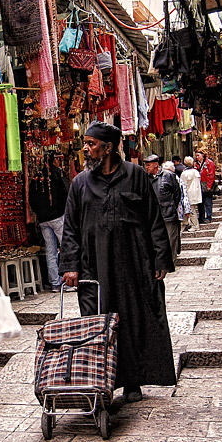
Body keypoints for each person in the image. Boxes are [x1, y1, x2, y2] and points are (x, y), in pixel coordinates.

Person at [60, 121, 177, 406]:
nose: (85, 149)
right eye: (85, 143)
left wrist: (161, 258)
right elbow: (70, 228)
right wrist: (69, 266)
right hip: (93, 268)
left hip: (133, 266)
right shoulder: (80, 183)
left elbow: (153, 220)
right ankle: (101, 382)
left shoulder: (136, 176)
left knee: (133, 320)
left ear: (109, 147)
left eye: (91, 144)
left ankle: (132, 381)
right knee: (97, 324)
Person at [28, 152, 72, 291]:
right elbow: (67, 192)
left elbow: (31, 198)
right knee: (66, 248)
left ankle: (55, 283)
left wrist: (39, 213)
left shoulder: (36, 176)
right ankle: (69, 281)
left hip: (43, 219)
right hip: (57, 216)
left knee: (51, 251)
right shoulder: (56, 174)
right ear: (55, 160)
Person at [143, 155, 182, 264]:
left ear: (156, 165)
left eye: (148, 165)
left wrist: (171, 206)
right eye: (145, 165)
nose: (146, 167)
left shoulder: (168, 176)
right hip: (153, 215)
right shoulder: (146, 178)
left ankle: (171, 262)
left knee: (171, 239)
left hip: (168, 213)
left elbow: (177, 194)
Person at [180, 156, 203, 232]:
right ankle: (186, 222)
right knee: (191, 208)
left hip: (189, 193)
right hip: (196, 193)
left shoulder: (184, 173)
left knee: (191, 210)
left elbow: (182, 185)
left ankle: (195, 225)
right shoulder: (196, 172)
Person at [195, 151, 216, 223]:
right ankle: (201, 217)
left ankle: (208, 217)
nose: (197, 157)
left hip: (206, 183)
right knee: (200, 202)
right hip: (199, 184)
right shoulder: (196, 164)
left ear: (203, 155)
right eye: (196, 156)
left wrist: (209, 185)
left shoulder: (209, 163)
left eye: (198, 155)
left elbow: (211, 175)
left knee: (208, 202)